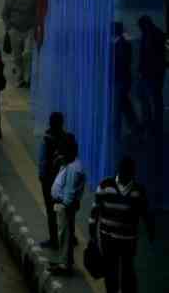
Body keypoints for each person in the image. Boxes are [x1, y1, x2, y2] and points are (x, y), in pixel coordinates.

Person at [89, 157, 155, 293]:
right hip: (108, 238)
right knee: (110, 270)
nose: (127, 174)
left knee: (127, 270)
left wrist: (150, 230)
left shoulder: (138, 191)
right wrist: (93, 233)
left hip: (128, 240)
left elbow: (145, 213)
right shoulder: (104, 186)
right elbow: (95, 211)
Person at [49, 133, 86, 276]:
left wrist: (64, 204)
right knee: (64, 235)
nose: (61, 154)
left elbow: (70, 192)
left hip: (65, 206)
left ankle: (65, 265)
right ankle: (63, 260)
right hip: (63, 205)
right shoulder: (69, 164)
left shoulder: (73, 168)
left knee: (65, 235)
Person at [37, 112, 67, 250]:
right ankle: (68, 238)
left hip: (49, 180)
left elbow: (42, 161)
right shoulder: (66, 139)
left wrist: (41, 176)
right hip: (63, 179)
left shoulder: (46, 139)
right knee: (64, 210)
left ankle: (54, 240)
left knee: (51, 210)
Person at [2, 0, 37, 88]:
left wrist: (35, 25)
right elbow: (4, 14)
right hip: (15, 30)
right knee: (17, 55)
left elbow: (37, 13)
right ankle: (19, 76)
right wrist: (9, 28)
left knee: (28, 53)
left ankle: (28, 76)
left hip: (29, 30)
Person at [136, 15, 165, 136]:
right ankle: (152, 124)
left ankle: (152, 125)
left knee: (151, 100)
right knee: (152, 99)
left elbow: (147, 56)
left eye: (141, 26)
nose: (141, 29)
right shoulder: (156, 34)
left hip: (151, 74)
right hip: (152, 74)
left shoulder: (151, 35)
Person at [113, 22, 138, 139]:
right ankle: (134, 126)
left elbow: (122, 62)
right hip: (123, 78)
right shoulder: (122, 43)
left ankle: (118, 130)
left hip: (121, 78)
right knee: (124, 104)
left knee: (120, 104)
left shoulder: (121, 44)